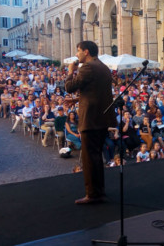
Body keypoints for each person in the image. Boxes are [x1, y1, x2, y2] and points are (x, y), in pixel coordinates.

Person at [65, 41, 116, 205]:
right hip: (101, 118)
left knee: (89, 158)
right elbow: (96, 93)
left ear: (86, 52)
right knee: (96, 157)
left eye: (78, 51)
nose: (77, 54)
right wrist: (78, 99)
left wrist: (70, 72)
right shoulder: (103, 67)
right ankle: (98, 192)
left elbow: (69, 86)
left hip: (91, 119)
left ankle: (92, 195)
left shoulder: (87, 67)